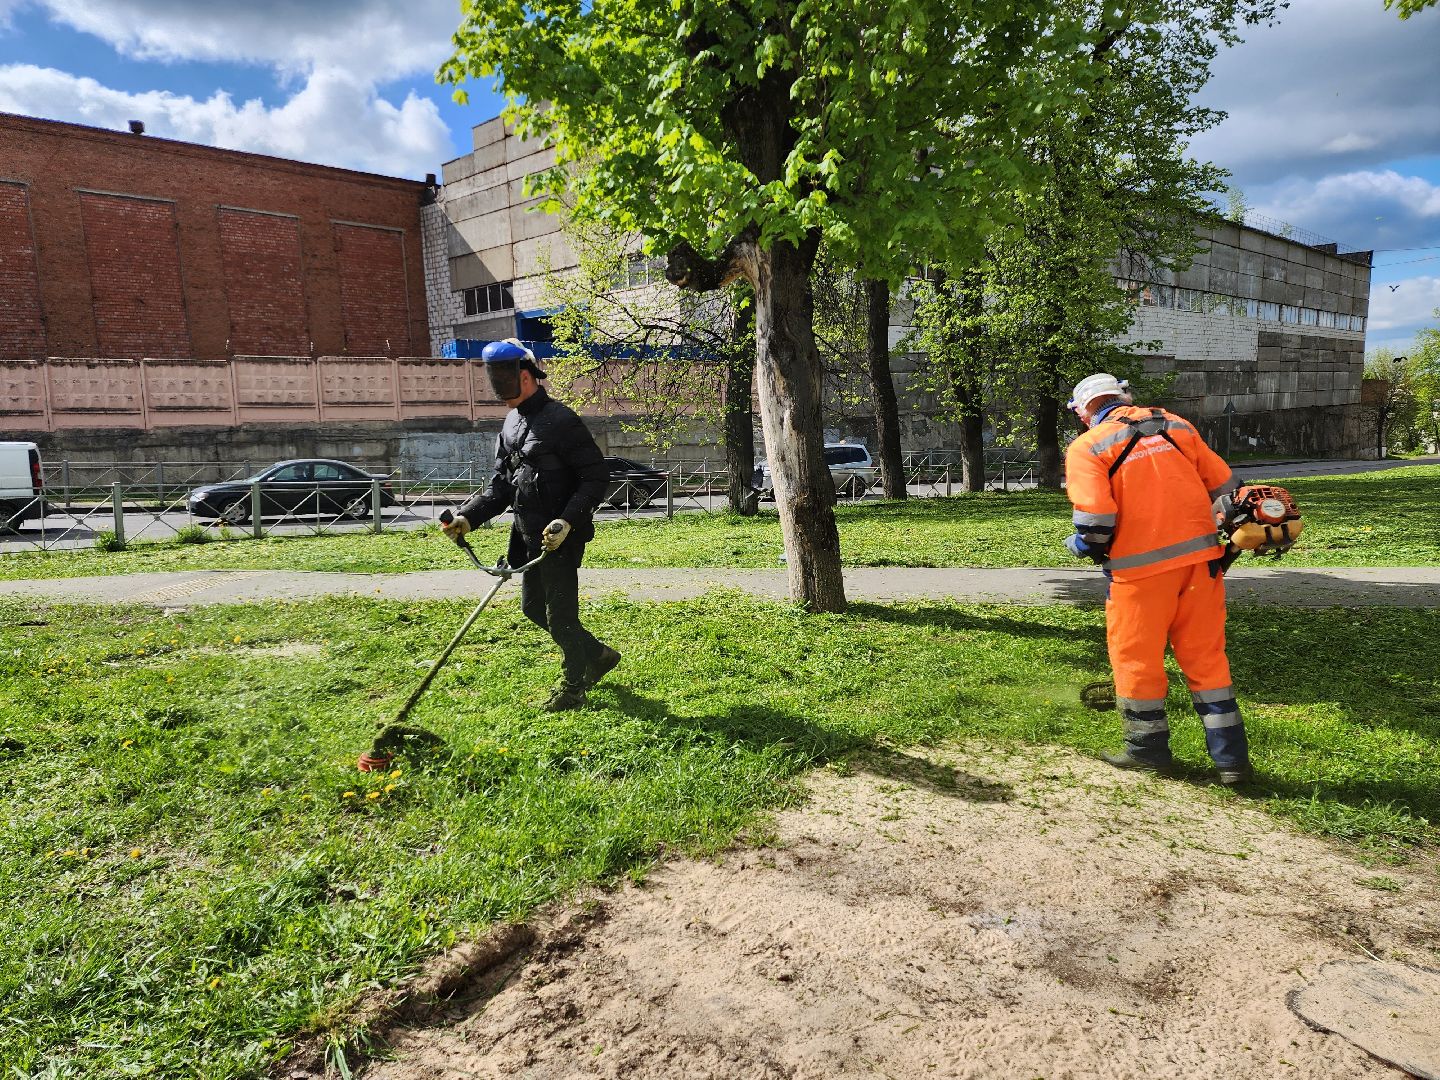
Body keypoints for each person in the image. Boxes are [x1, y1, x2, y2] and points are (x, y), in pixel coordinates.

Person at [1062, 373, 1252, 785]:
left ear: (1084, 411)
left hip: (1139, 574)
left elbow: (1095, 523)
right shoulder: (1178, 426)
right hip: (1203, 565)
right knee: (1207, 661)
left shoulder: (1087, 446)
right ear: (1122, 396)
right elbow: (1230, 490)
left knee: (1137, 660)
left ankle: (1146, 750)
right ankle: (1232, 762)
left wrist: (1080, 545)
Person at [441, 338, 621, 711]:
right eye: (492, 375)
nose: (497, 383)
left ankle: (573, 689)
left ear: (525, 376)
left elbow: (596, 477)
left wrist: (567, 520)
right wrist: (467, 518)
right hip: (526, 537)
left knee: (561, 618)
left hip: (559, 538)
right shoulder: (510, 423)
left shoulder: (562, 421)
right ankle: (599, 655)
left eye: (503, 375)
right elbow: (501, 486)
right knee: (532, 609)